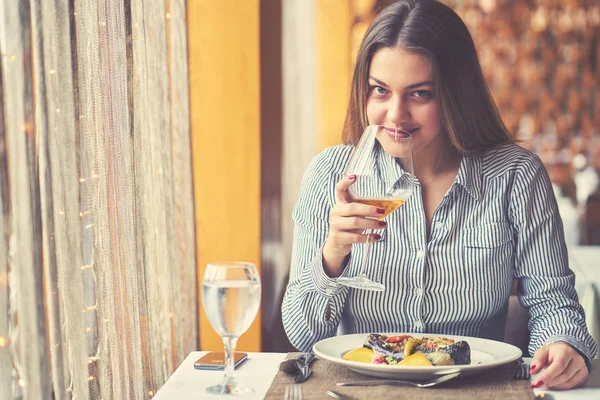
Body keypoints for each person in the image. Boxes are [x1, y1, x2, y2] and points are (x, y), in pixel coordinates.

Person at [281, 0, 597, 390]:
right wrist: (332, 256)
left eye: (419, 94)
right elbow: (302, 334)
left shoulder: (516, 177)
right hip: (357, 392)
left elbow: (553, 302)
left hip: (476, 392)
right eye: (380, 90)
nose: (395, 115)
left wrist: (562, 344)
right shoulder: (329, 174)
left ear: (455, 95)